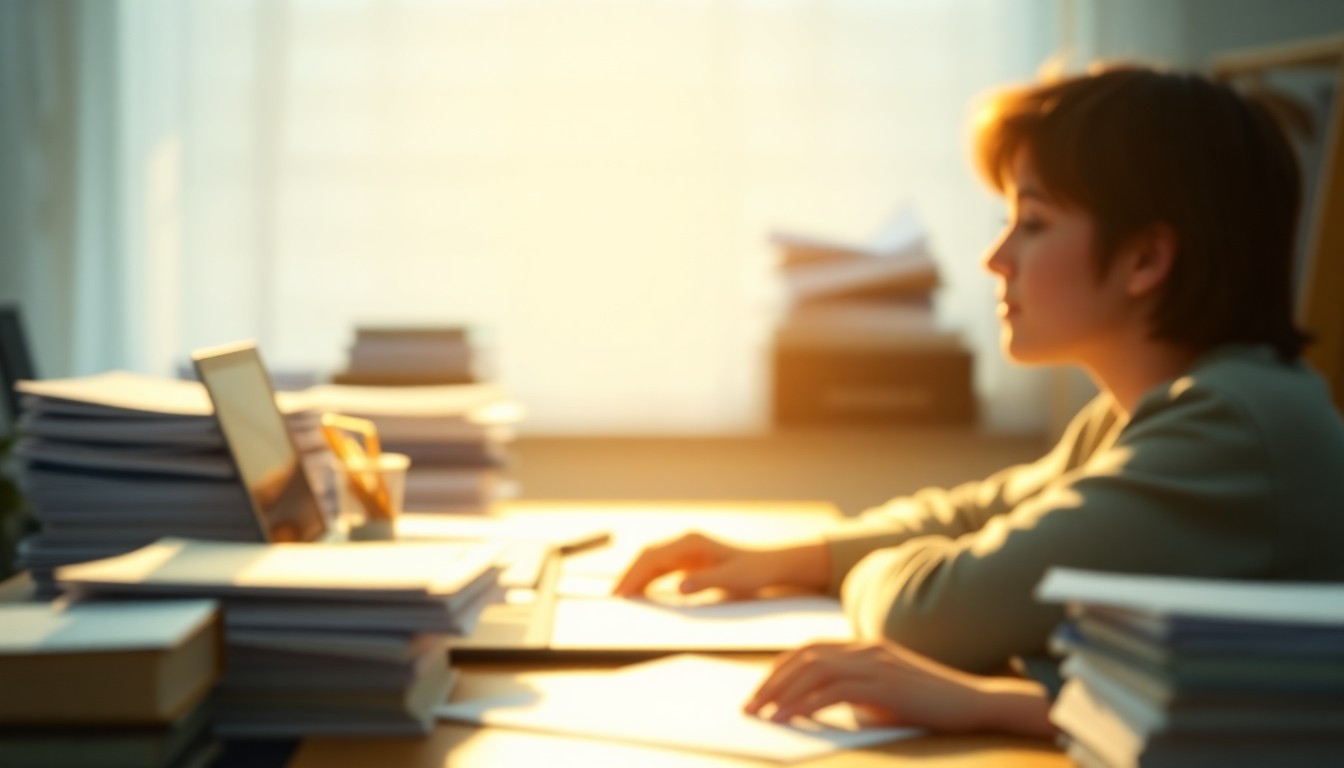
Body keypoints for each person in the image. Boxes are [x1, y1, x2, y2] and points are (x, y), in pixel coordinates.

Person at [612, 63, 1344, 732]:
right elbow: (986, 512)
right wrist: (793, 558)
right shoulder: (1151, 410)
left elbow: (935, 614)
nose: (996, 260)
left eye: (1033, 223)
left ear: (1145, 258)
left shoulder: (1229, 425)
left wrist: (859, 575)